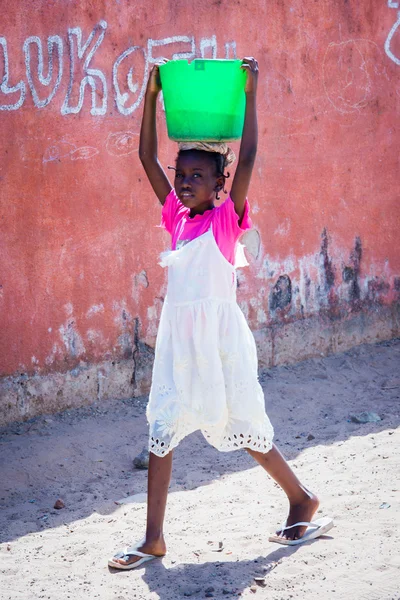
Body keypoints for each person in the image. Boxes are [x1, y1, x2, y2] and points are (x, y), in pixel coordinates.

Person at [109, 57, 333, 570]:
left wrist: (251, 94)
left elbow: (249, 154)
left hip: (219, 342)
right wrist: (150, 98)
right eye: (181, 174)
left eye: (197, 176)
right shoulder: (177, 219)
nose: (185, 182)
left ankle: (300, 497)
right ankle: (153, 539)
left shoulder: (225, 221)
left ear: (219, 183)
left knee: (245, 423)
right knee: (161, 427)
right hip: (179, 341)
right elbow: (146, 157)